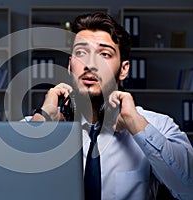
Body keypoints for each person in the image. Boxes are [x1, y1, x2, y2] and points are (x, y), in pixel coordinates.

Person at [28, 12, 193, 199]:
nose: (90, 64)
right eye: (81, 53)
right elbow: (9, 186)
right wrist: (42, 123)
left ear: (123, 70)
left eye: (105, 54)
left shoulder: (157, 126)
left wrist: (135, 123)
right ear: (69, 66)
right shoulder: (40, 122)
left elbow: (188, 188)